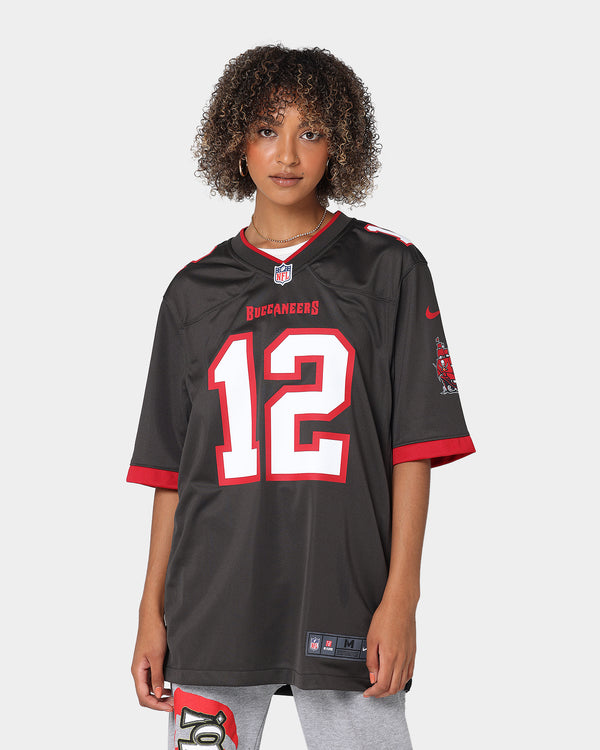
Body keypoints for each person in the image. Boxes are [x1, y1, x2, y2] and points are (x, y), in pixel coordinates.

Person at [127, 44, 475, 750]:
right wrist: (149, 612)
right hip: (212, 605)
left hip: (345, 593)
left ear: (340, 142)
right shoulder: (192, 291)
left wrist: (402, 598)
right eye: (266, 129)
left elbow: (413, 448)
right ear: (235, 139)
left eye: (310, 131)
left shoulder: (389, 269)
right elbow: (171, 473)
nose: (287, 154)